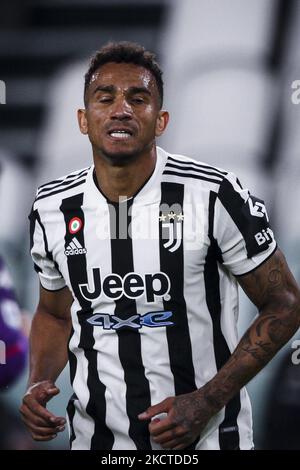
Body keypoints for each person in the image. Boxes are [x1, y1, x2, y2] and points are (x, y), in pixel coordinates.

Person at [20, 41, 300, 450]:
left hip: (206, 442)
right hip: (96, 443)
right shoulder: (51, 208)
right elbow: (53, 314)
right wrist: (38, 383)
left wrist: (207, 400)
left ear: (161, 119)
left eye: (138, 98)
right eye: (105, 98)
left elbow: (286, 302)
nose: (121, 110)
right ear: (83, 120)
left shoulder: (213, 195)